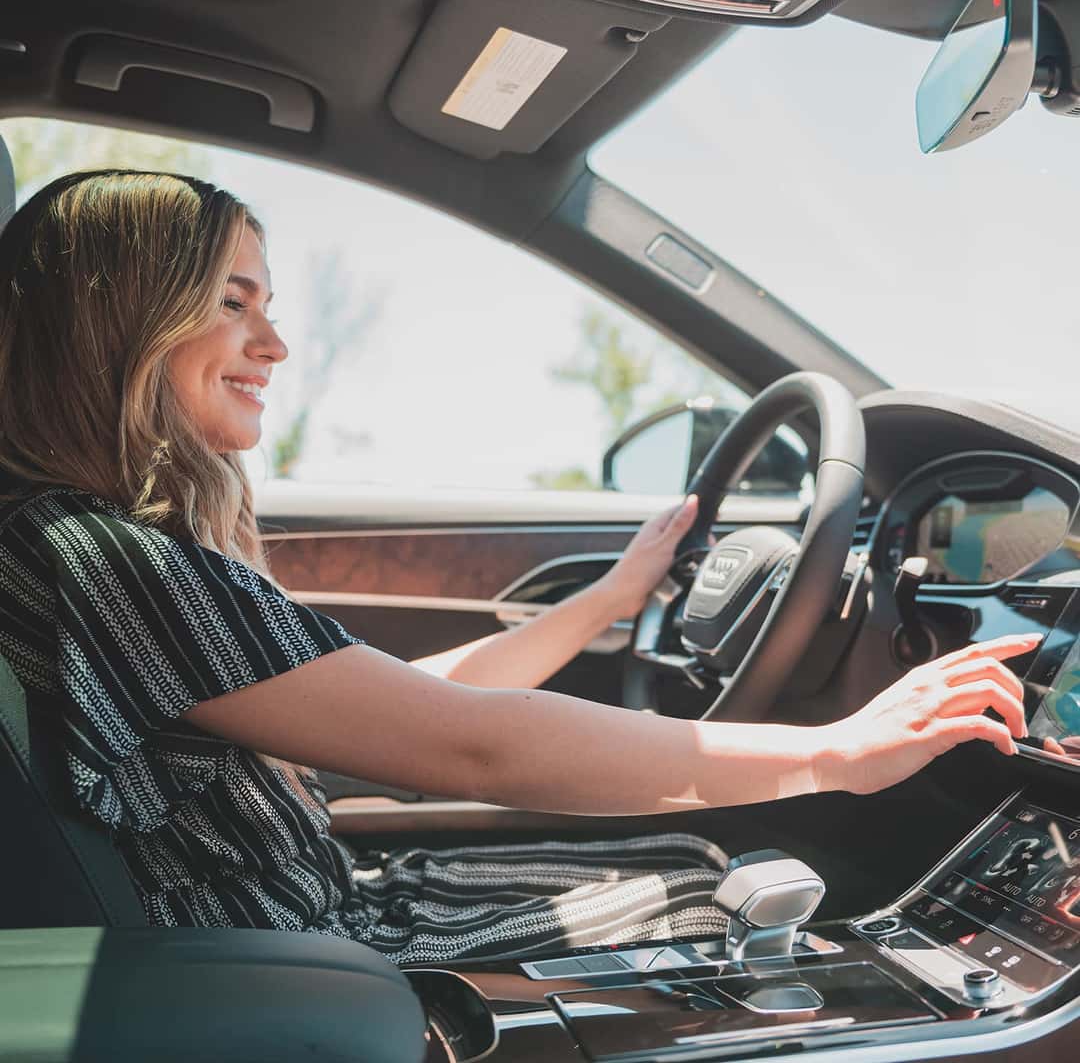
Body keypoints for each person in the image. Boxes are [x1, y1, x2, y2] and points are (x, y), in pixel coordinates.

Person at [0, 171, 1039, 964]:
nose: (273, 343)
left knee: (713, 872)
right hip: (289, 951)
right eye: (231, 303)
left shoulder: (95, 549)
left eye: (267, 304)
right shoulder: (104, 559)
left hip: (299, 919)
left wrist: (607, 603)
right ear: (117, 320)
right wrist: (840, 751)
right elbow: (468, 748)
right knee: (728, 897)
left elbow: (395, 709)